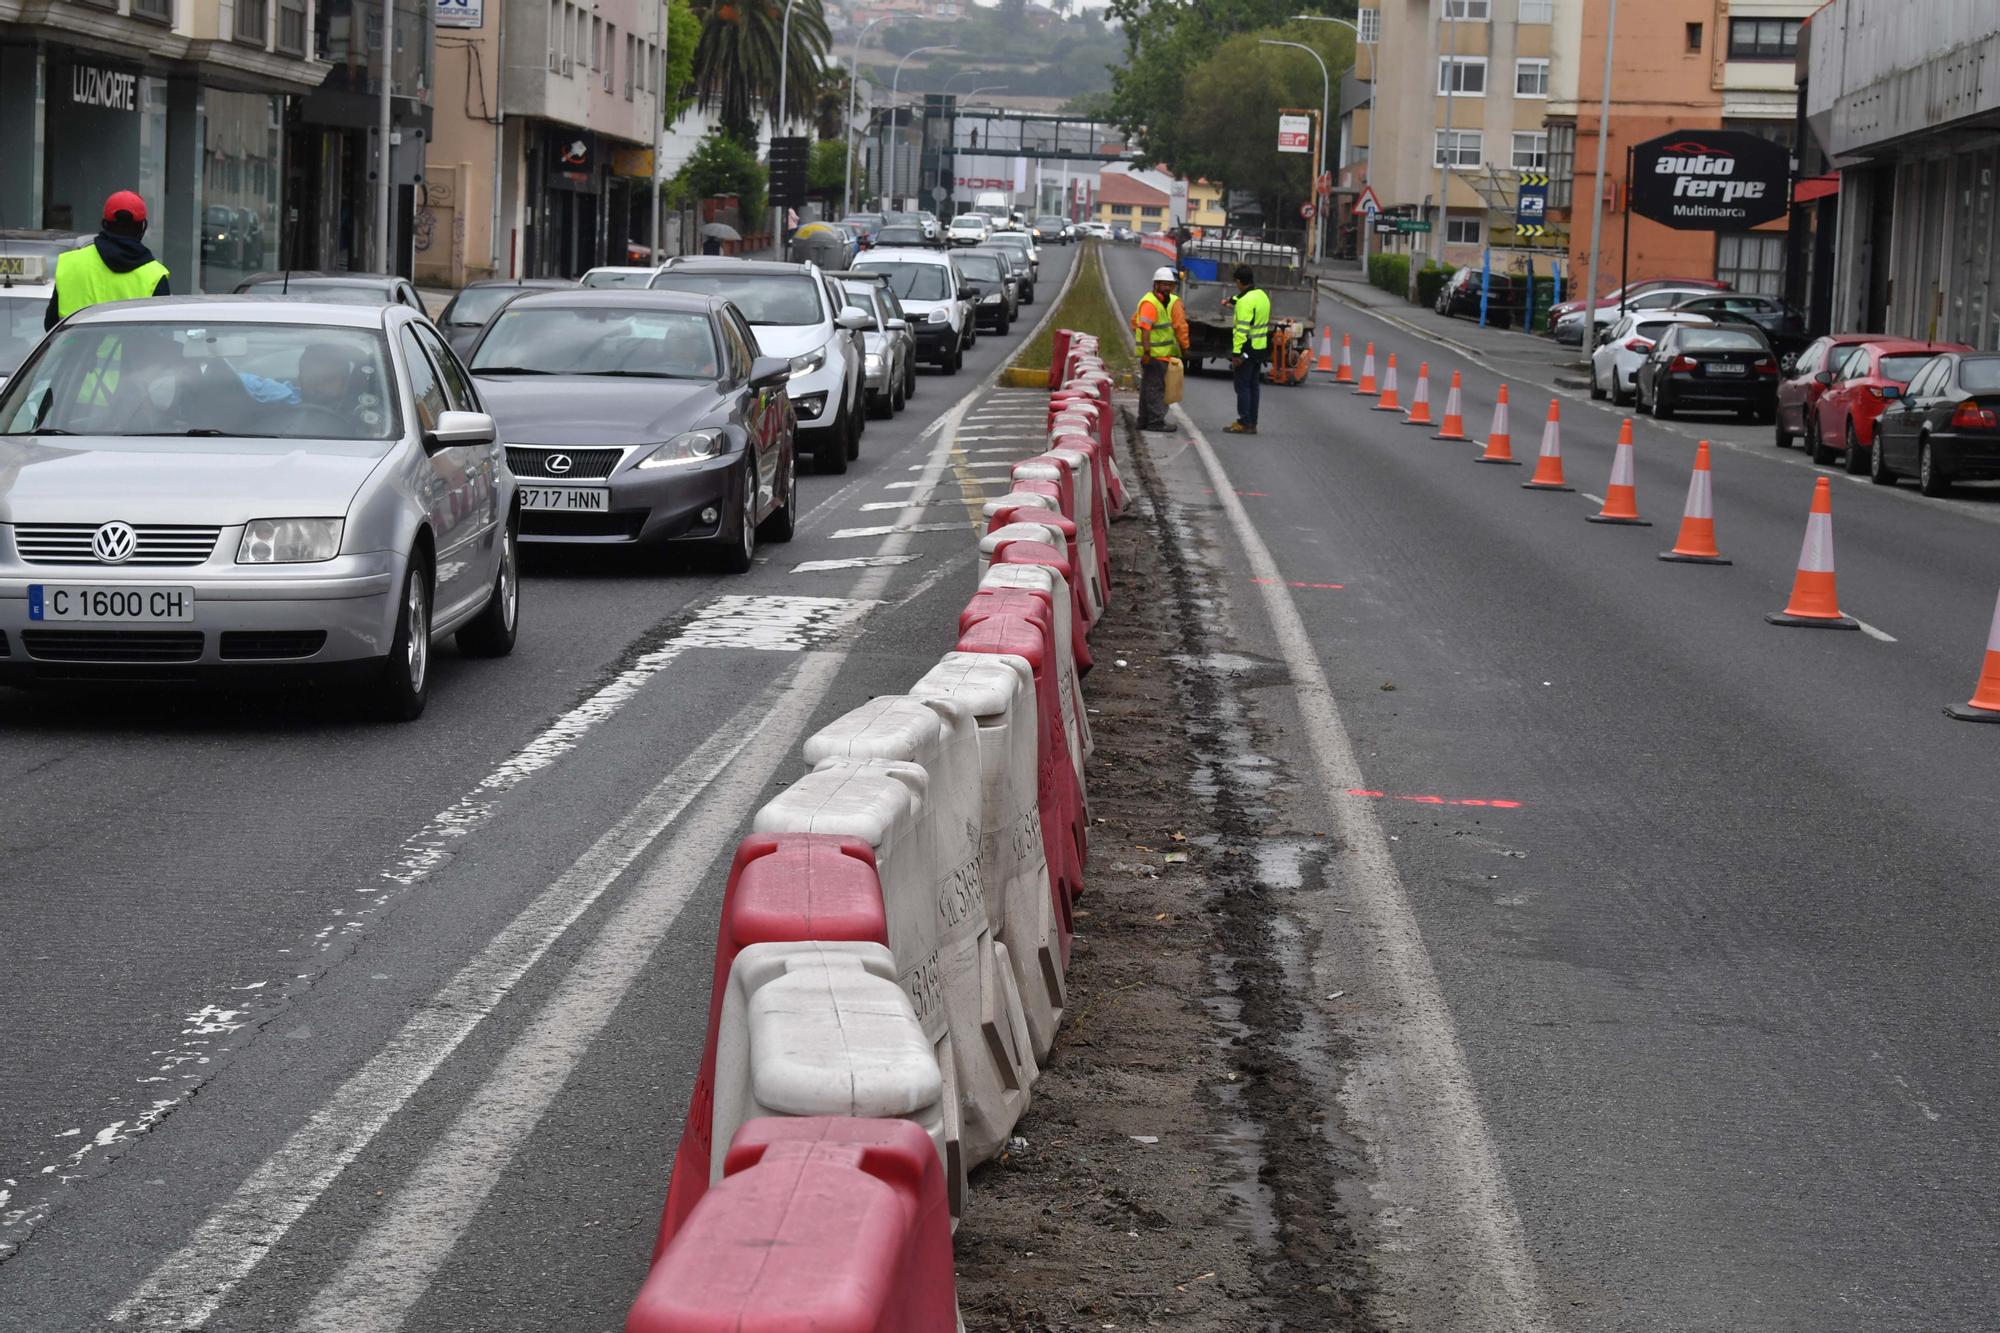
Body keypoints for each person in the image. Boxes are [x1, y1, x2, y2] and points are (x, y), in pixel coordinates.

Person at [46, 190, 171, 330]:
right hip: (131, 353)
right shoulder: (154, 276)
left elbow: (50, 325)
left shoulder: (71, 264)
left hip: (76, 351)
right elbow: (159, 334)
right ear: (143, 227)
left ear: (104, 224)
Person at [1131, 265, 1188, 434]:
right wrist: (1147, 352)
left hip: (1158, 355)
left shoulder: (1162, 302)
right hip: (1155, 355)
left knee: (1148, 387)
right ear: (1156, 285)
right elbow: (1145, 328)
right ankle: (1156, 422)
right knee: (1157, 389)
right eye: (1164, 285)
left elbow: (1134, 323)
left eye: (1170, 285)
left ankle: (1143, 420)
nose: (1168, 288)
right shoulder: (1151, 303)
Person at [1224, 263, 1270, 435]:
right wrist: (1231, 301)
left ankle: (1243, 422)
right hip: (1259, 348)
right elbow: (1245, 299)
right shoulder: (1262, 296)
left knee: (1242, 387)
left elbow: (1241, 330)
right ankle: (1252, 422)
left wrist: (1236, 354)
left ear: (1238, 281)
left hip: (1245, 349)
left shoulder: (1244, 302)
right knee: (1253, 387)